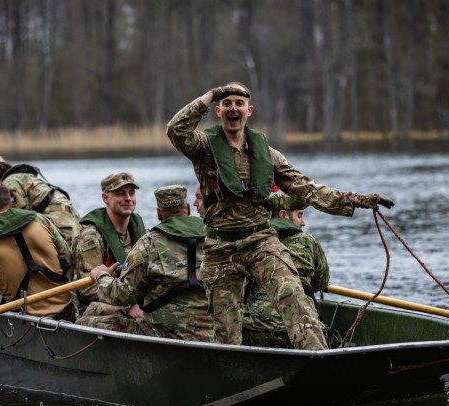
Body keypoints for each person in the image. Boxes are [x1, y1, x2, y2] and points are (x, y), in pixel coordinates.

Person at [166, 82, 394, 350]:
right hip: (219, 248)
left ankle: (317, 358)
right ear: (218, 110)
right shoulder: (204, 147)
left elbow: (307, 188)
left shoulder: (267, 154)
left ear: (249, 111)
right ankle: (236, 374)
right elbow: (176, 130)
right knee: (226, 331)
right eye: (226, 103)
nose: (233, 108)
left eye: (239, 103)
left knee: (294, 298)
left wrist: (355, 200)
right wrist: (211, 94)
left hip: (260, 241)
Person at [80, 185, 213, 341]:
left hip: (163, 332)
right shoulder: (214, 237)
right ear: (188, 209)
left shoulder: (148, 243)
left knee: (85, 321)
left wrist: (100, 276)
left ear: (158, 213)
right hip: (213, 330)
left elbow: (121, 295)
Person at [0, 182, 75, 321]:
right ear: (10, 203)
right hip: (66, 311)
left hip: (27, 321)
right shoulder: (40, 219)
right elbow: (67, 258)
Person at [243, 193, 330, 348]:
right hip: (299, 331)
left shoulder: (253, 240)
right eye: (300, 215)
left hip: (255, 329)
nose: (303, 223)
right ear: (283, 214)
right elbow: (321, 282)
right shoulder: (309, 242)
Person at [73, 172, 147, 319]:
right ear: (105, 198)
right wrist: (128, 304)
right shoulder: (91, 237)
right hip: (99, 305)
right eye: (120, 193)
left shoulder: (143, 232)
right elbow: (87, 289)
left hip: (135, 299)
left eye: (132, 193)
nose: (128, 198)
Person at [0, 155, 82, 246]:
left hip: (60, 226)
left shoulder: (9, 184)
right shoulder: (23, 176)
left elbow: (8, 221)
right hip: (74, 222)